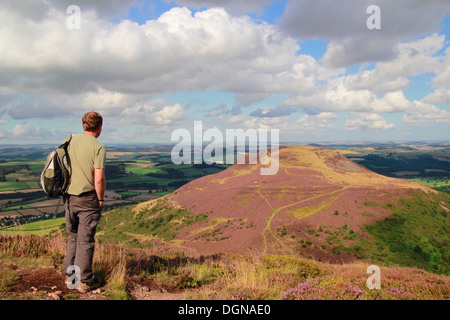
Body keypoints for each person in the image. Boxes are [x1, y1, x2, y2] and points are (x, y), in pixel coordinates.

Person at [63, 111, 106, 293]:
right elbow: (99, 179)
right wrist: (101, 198)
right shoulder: (98, 147)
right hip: (87, 198)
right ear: (99, 127)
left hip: (68, 197)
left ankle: (70, 276)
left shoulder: (70, 140)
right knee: (85, 240)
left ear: (84, 125)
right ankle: (85, 280)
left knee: (73, 236)